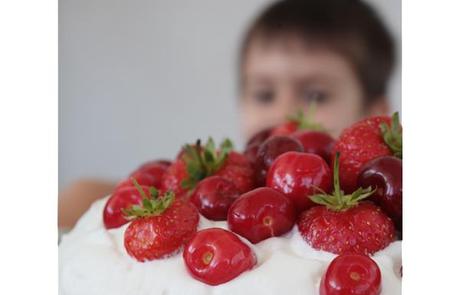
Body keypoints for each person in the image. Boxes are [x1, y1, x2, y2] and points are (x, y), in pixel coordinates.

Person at [59, 0, 396, 228]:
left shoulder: (386, 217)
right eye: (264, 94)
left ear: (376, 116)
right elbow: (85, 197)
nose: (285, 112)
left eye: (316, 95)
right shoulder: (218, 188)